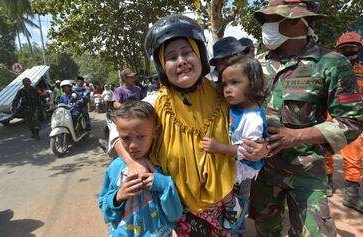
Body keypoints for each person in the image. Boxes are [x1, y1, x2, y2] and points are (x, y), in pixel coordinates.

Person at [108, 15, 247, 236]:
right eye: (171, 57)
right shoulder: (155, 103)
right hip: (182, 208)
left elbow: (253, 120)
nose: (181, 60)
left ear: (200, 54)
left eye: (187, 52)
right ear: (162, 66)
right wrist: (132, 163)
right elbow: (116, 131)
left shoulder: (225, 93)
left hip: (226, 199)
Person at [243, 1, 363, 236]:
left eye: (272, 19)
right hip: (263, 174)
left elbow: (352, 121)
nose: (267, 27)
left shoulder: (331, 63)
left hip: (306, 172)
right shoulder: (256, 65)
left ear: (295, 22)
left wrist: (296, 136)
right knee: (265, 231)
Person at [99, 101, 183, 237]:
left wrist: (162, 184)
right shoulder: (115, 167)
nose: (132, 145)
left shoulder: (163, 165)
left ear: (155, 132)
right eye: (125, 138)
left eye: (141, 137)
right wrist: (118, 197)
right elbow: (106, 210)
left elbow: (175, 214)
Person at [324, 32, 363, 218]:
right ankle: (326, 181)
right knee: (325, 153)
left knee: (355, 155)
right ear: (338, 50)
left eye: (352, 49)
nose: (348, 53)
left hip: (351, 121)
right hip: (327, 118)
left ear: (359, 50)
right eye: (344, 49)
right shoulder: (327, 68)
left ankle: (351, 195)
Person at [202, 54, 268, 201]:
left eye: (234, 82)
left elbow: (247, 152)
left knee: (237, 200)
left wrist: (218, 147)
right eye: (224, 84)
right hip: (233, 162)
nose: (227, 89)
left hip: (244, 169)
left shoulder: (253, 119)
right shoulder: (237, 106)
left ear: (253, 83)